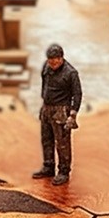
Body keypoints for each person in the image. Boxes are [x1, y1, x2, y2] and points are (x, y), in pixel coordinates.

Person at [33, 44, 82, 186]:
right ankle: (48, 166)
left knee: (62, 143)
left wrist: (72, 114)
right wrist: (44, 103)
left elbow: (77, 94)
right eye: (50, 60)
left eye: (56, 60)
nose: (53, 64)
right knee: (46, 139)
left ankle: (64, 171)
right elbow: (44, 84)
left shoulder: (71, 73)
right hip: (47, 108)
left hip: (61, 110)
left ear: (62, 58)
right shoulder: (46, 67)